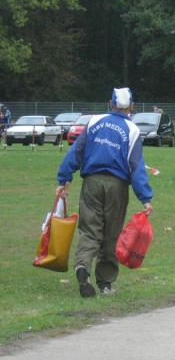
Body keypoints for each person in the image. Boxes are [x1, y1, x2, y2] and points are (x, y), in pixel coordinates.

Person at [55, 87, 153, 297]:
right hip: (117, 186)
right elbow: (136, 166)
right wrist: (145, 197)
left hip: (91, 182)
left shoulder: (94, 121)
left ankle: (82, 266)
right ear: (131, 106)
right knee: (111, 234)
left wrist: (64, 178)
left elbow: (76, 152)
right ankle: (105, 283)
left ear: (111, 104)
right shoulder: (132, 130)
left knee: (90, 229)